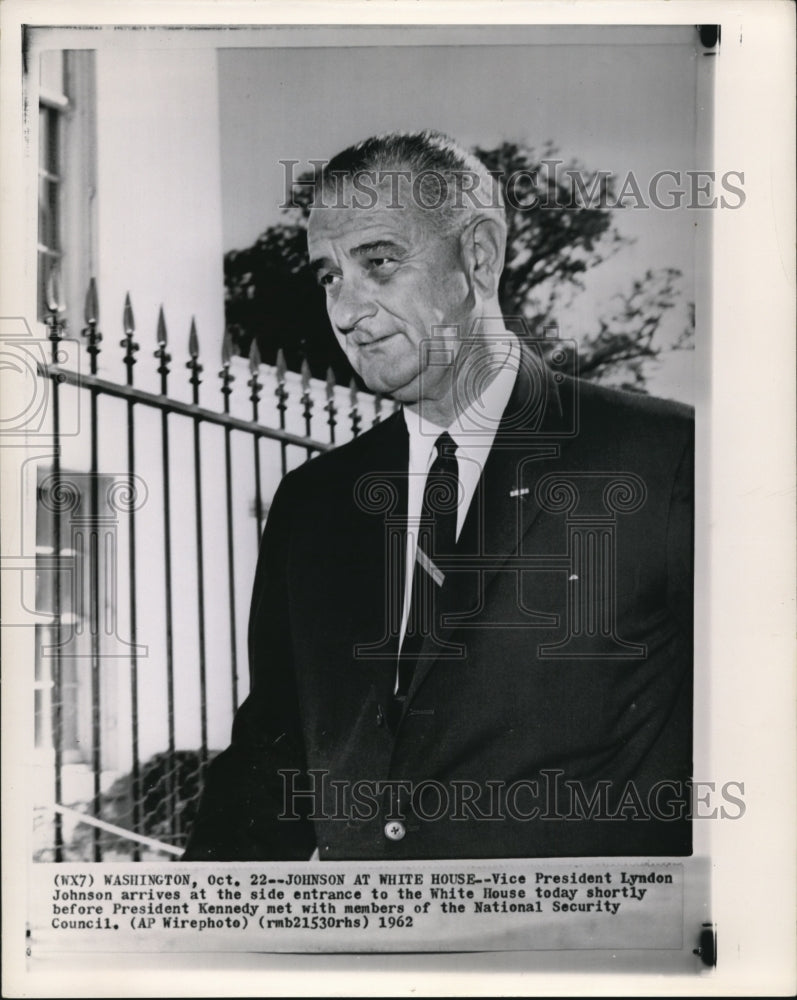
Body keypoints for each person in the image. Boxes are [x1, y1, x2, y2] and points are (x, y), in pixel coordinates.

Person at [184, 130, 693, 861]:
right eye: (328, 276)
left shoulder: (663, 459)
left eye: (378, 263)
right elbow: (271, 764)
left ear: (477, 257)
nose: (346, 310)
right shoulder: (313, 506)